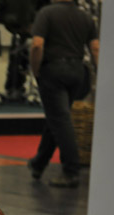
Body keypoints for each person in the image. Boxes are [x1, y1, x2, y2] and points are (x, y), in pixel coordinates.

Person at [27, 0, 99, 188]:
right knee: (57, 117)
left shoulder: (47, 13)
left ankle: (71, 171)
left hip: (53, 71)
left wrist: (35, 70)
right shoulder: (85, 17)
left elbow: (37, 45)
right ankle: (39, 163)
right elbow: (96, 49)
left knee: (60, 119)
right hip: (77, 72)